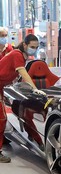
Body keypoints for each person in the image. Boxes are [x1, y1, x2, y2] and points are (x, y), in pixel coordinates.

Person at [0, 34, 46, 163]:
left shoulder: (21, 56)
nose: (34, 49)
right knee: (2, 119)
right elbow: (23, 72)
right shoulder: (17, 55)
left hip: (1, 86)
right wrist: (34, 88)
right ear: (24, 45)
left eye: (36, 47)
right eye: (32, 47)